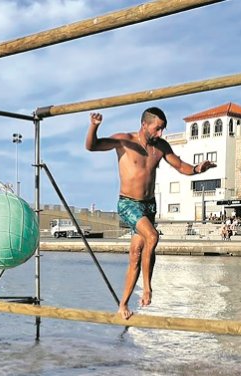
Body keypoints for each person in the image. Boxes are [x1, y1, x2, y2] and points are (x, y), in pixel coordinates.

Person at [85, 107, 216, 319]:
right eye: (157, 129)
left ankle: (123, 305)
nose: (160, 134)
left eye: (163, 129)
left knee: (136, 254)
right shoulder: (124, 141)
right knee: (152, 236)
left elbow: (181, 165)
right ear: (144, 124)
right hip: (129, 204)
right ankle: (147, 288)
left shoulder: (161, 147)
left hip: (149, 206)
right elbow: (92, 146)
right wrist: (94, 126)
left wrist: (197, 169)